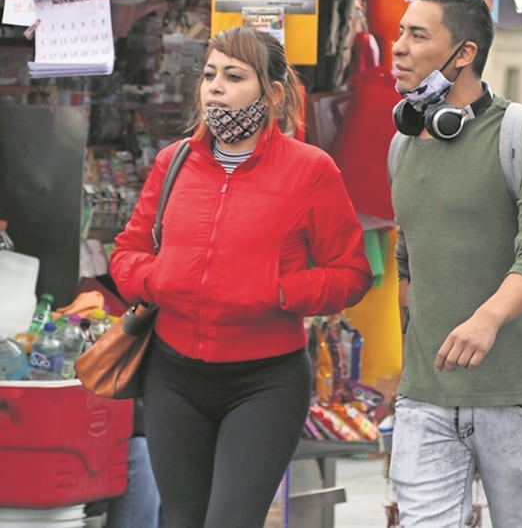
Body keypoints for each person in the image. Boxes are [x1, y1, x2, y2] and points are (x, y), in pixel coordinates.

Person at [109, 26, 372, 527]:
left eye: (233, 76)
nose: (214, 87)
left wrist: (279, 291)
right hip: (172, 376)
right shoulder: (174, 162)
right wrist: (157, 278)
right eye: (209, 75)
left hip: (265, 382)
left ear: (272, 93)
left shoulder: (311, 170)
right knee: (180, 520)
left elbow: (351, 274)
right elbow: (127, 252)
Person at [387, 0, 522, 527]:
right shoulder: (401, 145)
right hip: (425, 397)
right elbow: (408, 262)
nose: (397, 46)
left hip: (514, 392)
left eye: (417, 35)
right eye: (400, 31)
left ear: (464, 53)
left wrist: (487, 319)